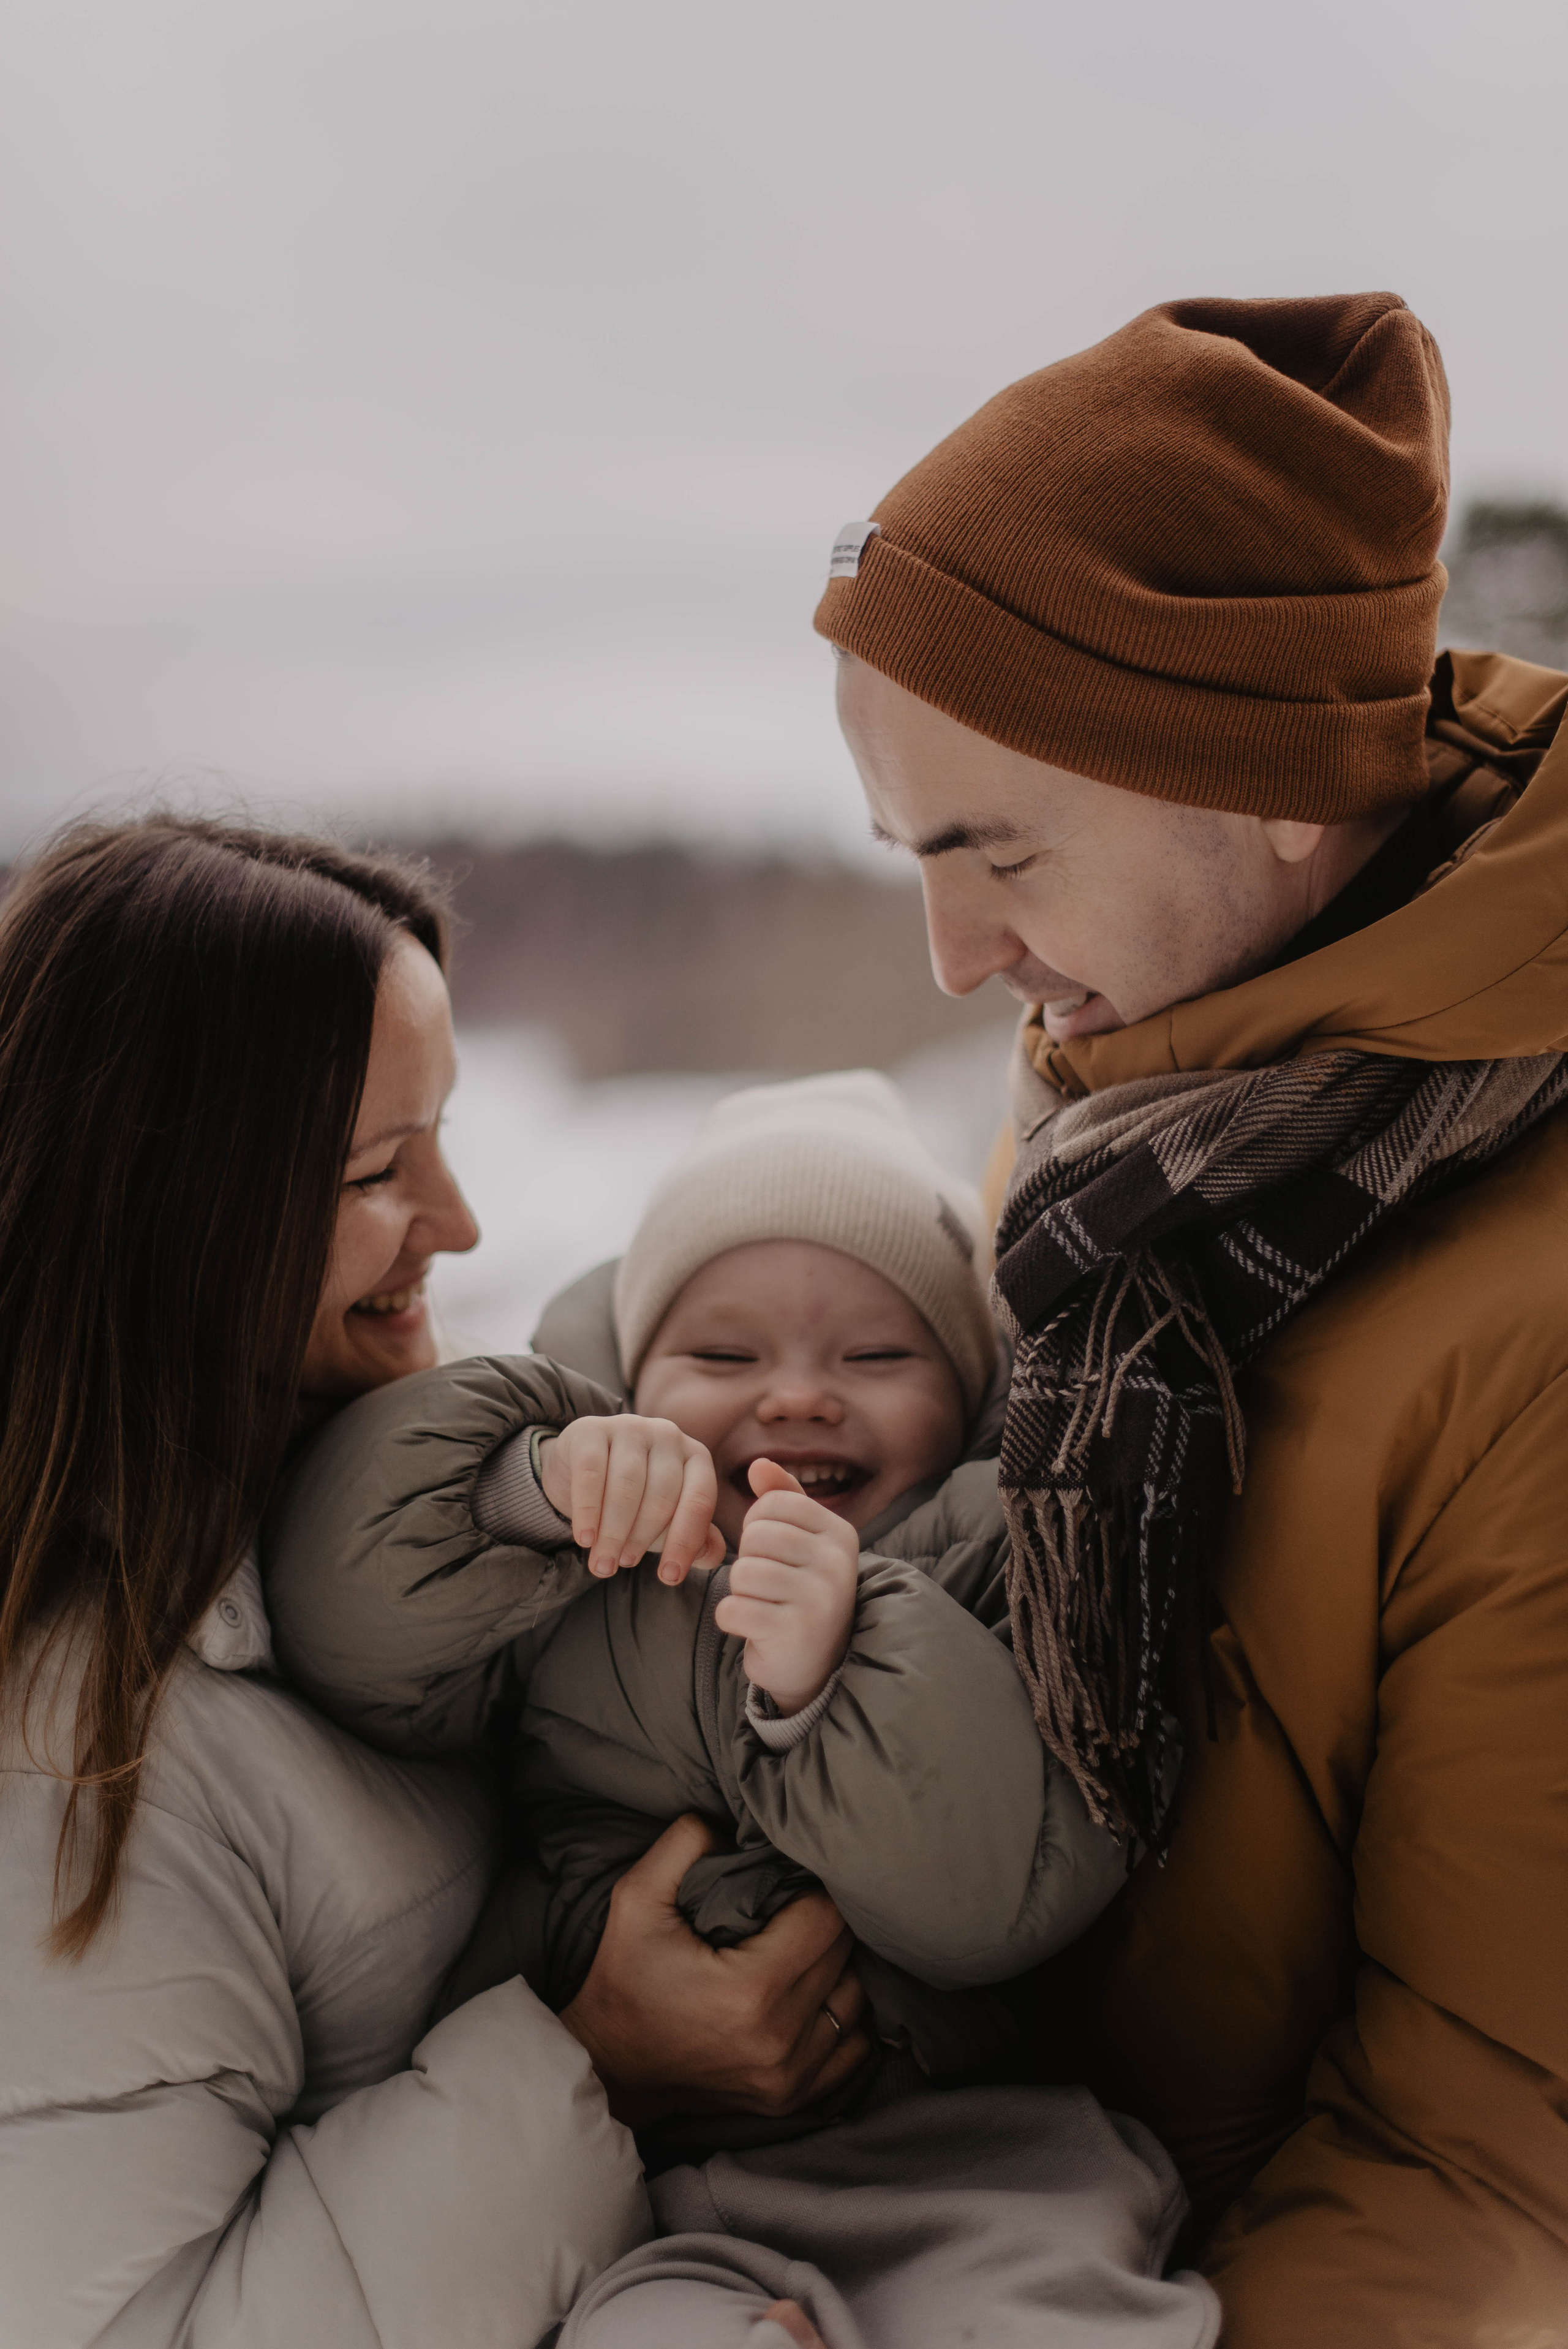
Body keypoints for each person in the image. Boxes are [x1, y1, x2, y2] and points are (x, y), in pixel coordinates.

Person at [812, 291, 1568, 2341]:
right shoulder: (1130, 1135)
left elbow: (1490, 2160)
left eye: (996, 849)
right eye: (907, 855)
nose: (953, 956)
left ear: (1273, 778)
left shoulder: (1532, 1328)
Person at [0, 814, 869, 2349]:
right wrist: (600, 2064)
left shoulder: (422, 1486)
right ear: (170, 1214)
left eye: (445, 1135)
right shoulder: (76, 1756)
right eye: (374, 1173)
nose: (461, 1225)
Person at [265, 1069, 1219, 2348]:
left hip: (964, 2166)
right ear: (630, 1377)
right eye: (723, 1356)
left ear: (966, 1392)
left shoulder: (1008, 1553)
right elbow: (345, 1624)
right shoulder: (576, 1564)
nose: (797, 1397)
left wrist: (841, 1662)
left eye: (877, 1356)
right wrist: (521, 1488)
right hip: (631, 2193)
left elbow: (1004, 1895)